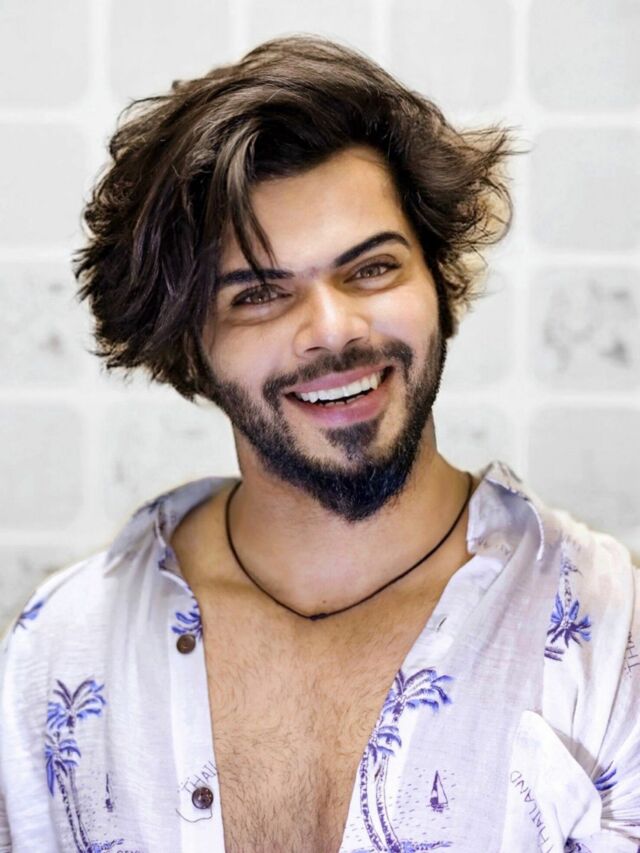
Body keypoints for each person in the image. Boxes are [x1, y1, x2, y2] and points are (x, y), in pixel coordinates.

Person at [0, 34, 638, 853]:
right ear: (189, 343)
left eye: (372, 269)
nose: (334, 329)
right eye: (260, 294)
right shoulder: (59, 650)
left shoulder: (612, 643)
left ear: (439, 284)